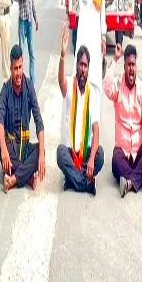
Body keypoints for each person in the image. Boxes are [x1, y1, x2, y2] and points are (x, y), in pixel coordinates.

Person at [56, 29, 103, 195]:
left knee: (100, 155)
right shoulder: (70, 85)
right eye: (80, 65)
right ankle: (85, 182)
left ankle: (72, 179)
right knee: (60, 153)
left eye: (85, 65)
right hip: (70, 152)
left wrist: (91, 159)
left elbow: (96, 130)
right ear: (76, 66)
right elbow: (60, 81)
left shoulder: (92, 93)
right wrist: (62, 55)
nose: (82, 69)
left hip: (85, 153)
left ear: (88, 68)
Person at [104, 44, 142, 197]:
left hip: (137, 151)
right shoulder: (118, 85)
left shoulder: (141, 89)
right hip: (123, 152)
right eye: (128, 65)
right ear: (124, 66)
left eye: (133, 64)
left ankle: (129, 182)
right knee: (115, 162)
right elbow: (106, 87)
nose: (131, 69)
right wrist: (115, 59)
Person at [0, 44, 45, 192]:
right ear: (10, 69)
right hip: (11, 148)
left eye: (20, 68)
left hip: (25, 148)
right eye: (15, 69)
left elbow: (38, 120)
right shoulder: (5, 89)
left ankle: (13, 178)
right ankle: (28, 177)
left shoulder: (29, 86)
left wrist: (41, 156)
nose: (18, 73)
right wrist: (4, 151)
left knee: (41, 150)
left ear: (23, 65)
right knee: (0, 146)